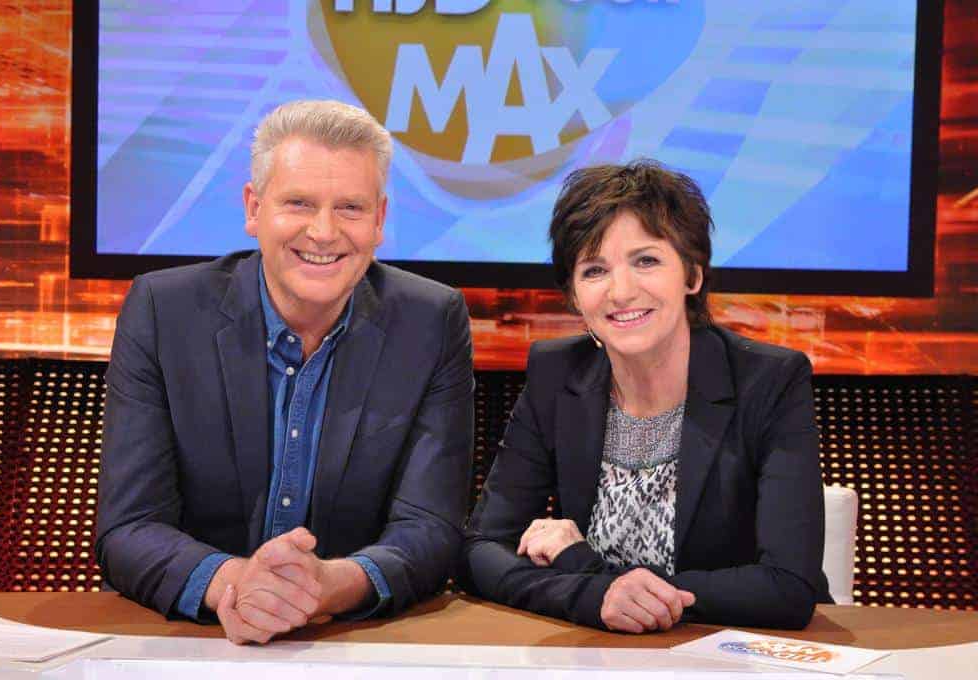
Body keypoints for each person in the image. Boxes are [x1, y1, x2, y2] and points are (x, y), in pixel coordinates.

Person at [96, 100, 474, 644]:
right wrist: (236, 585)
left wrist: (328, 586)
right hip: (192, 639)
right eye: (299, 203)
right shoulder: (163, 311)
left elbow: (431, 529)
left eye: (350, 208)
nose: (323, 232)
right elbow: (129, 527)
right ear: (254, 208)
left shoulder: (431, 322)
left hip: (347, 643)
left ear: (379, 221)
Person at [460, 160, 831, 633]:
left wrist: (586, 568)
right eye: (595, 270)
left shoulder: (770, 381)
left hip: (733, 651)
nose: (621, 291)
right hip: (599, 653)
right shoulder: (557, 375)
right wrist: (592, 596)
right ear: (574, 296)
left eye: (646, 261)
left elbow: (787, 588)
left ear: (692, 275)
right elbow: (479, 550)